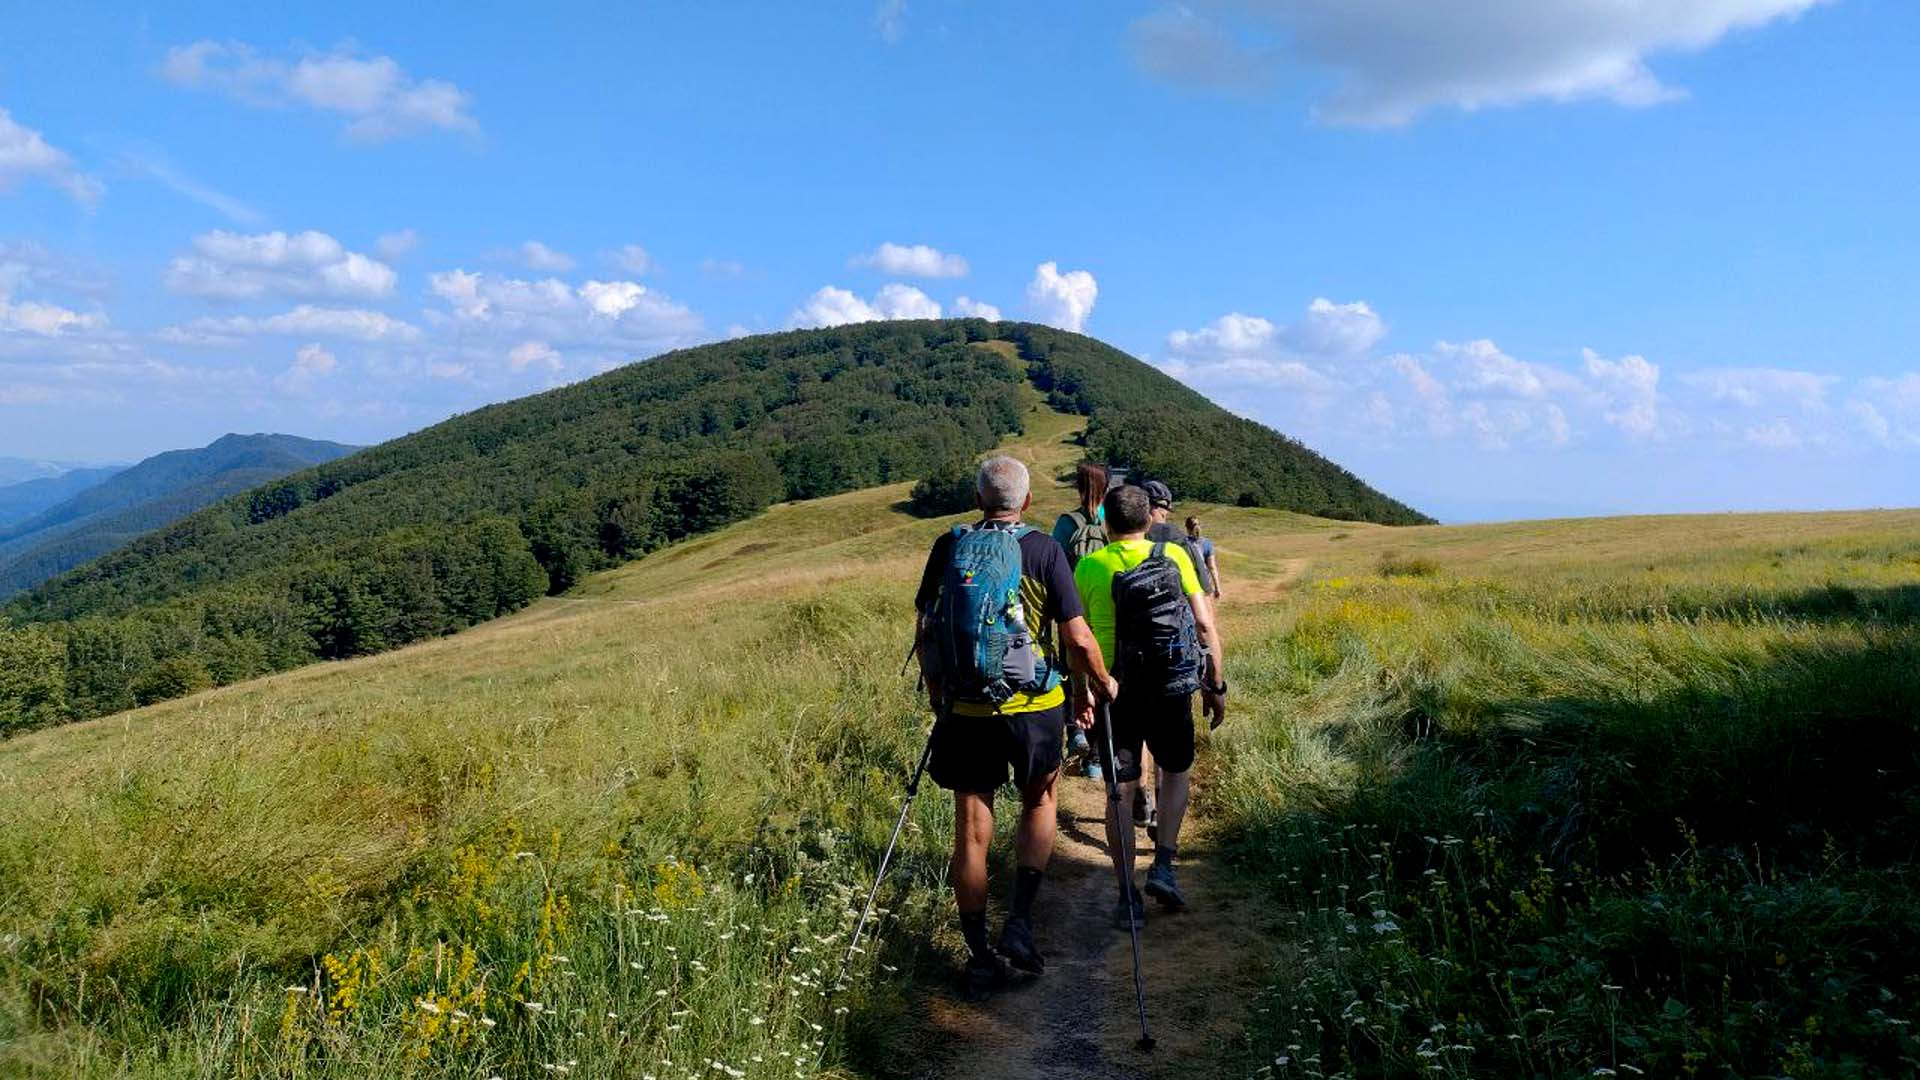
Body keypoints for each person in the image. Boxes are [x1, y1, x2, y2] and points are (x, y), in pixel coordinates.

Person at [915, 454, 1117, 998]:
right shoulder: (1044, 549)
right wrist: (1096, 685)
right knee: (1039, 801)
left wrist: (941, 701)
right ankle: (1020, 924)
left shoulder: (949, 545)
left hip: (966, 710)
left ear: (979, 500)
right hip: (1033, 708)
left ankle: (979, 955)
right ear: (1026, 502)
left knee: (972, 829)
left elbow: (926, 630)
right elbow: (1075, 638)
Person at [1074, 484, 1227, 926]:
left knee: (1119, 790)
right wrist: (1214, 683)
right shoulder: (1176, 557)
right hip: (1171, 686)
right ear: (1149, 521)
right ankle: (1163, 864)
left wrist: (1083, 690)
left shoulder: (1089, 566)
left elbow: (1078, 640)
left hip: (1114, 691)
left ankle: (1126, 898)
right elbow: (1203, 623)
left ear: (1106, 523)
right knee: (1176, 771)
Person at [1051, 461, 1110, 779]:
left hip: (1071, 611)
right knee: (1104, 675)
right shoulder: (1112, 520)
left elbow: (1053, 568)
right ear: (1108, 488)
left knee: (1070, 671)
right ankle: (1098, 758)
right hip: (1104, 611)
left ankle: (1075, 732)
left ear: (1077, 486)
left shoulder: (1065, 523)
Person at [1185, 516, 1223, 600]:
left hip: (1188, 585)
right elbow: (1212, 567)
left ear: (1187, 528)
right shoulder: (1207, 543)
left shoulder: (1182, 543)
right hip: (1205, 584)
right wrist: (1217, 587)